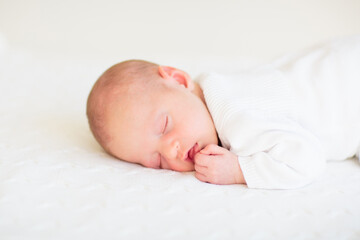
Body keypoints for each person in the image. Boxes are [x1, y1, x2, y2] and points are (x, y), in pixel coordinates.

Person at [86, 36, 360, 189]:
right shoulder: (217, 86)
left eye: (165, 126)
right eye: (157, 160)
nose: (171, 151)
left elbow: (307, 161)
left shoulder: (236, 120)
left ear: (180, 80)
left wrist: (240, 170)